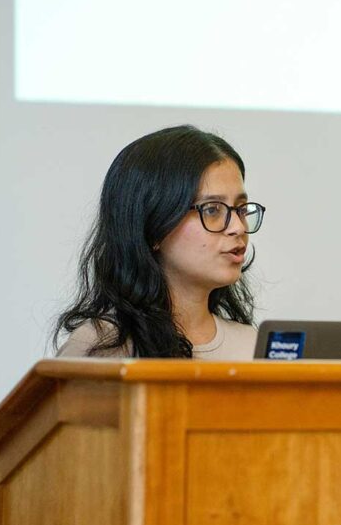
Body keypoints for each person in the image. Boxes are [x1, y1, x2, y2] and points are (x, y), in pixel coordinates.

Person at [54, 125, 264, 359]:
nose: (238, 227)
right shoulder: (103, 346)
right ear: (154, 227)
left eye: (241, 209)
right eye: (213, 209)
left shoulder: (253, 345)